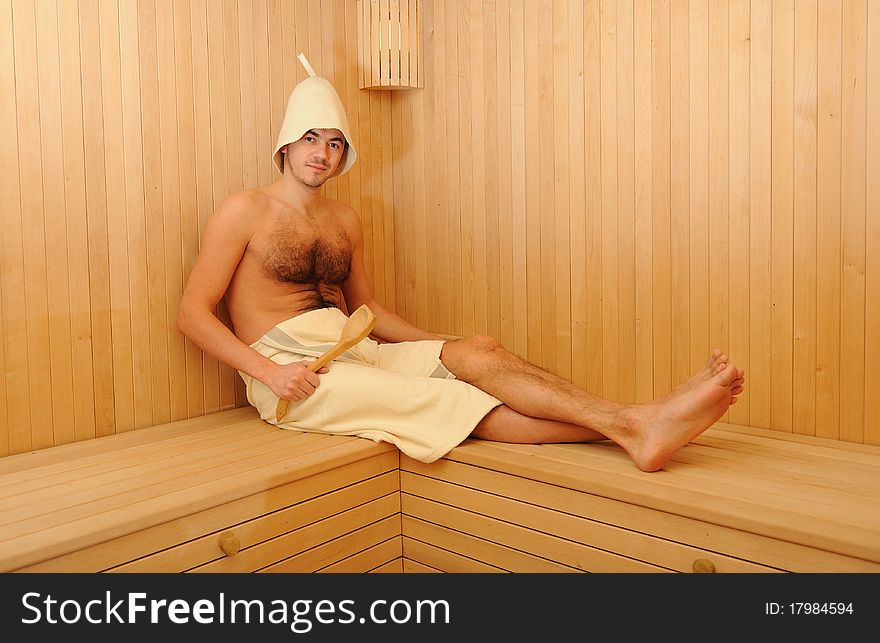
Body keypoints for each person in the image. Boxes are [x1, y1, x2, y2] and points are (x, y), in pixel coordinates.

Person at [178, 56, 745, 473]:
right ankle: (634, 423)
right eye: (309, 139)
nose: (321, 153)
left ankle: (640, 421)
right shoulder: (244, 210)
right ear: (285, 144)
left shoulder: (344, 220)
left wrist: (446, 349)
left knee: (481, 354)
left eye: (333, 142)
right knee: (453, 399)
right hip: (292, 375)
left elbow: (368, 310)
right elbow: (194, 314)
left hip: (357, 347)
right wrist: (268, 372)